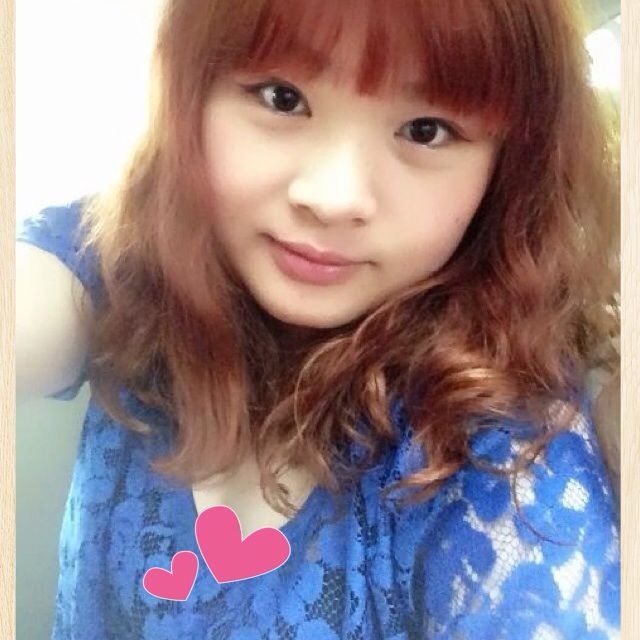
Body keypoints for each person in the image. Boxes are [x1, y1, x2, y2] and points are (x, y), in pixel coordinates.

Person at [16, 0, 621, 638]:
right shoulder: (120, 261)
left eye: (425, 130)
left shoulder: (495, 438)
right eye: (282, 98)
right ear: (191, 92)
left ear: (508, 169)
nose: (334, 197)